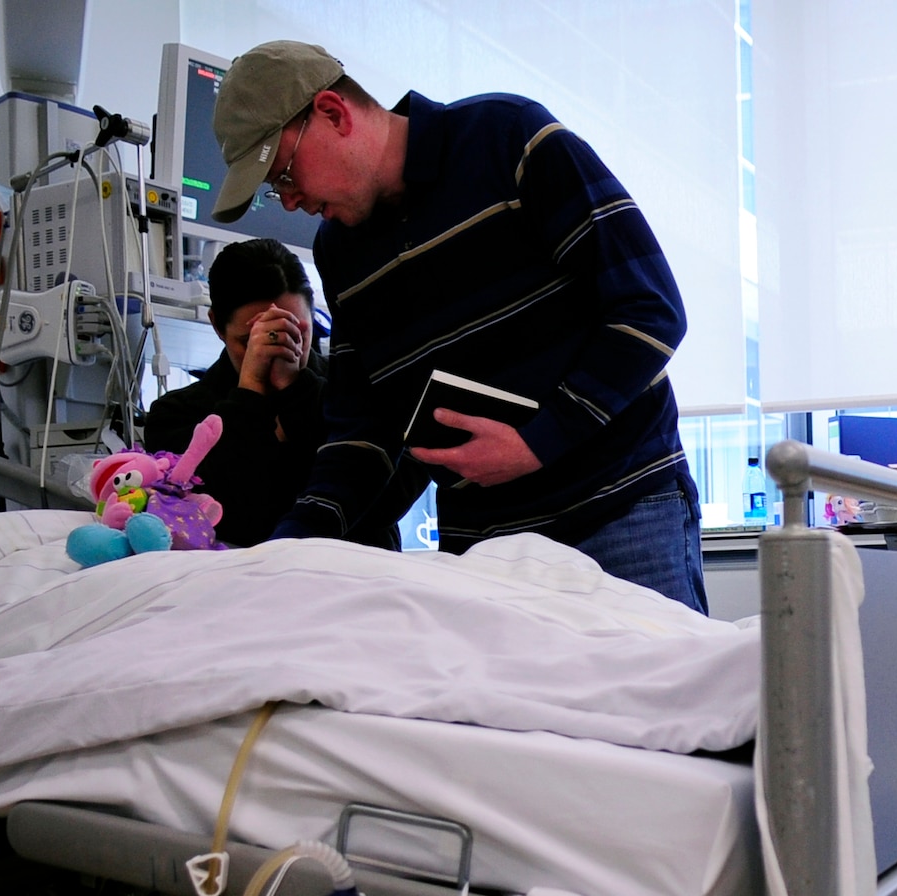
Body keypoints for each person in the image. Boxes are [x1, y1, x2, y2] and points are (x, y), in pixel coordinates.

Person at [207, 41, 705, 610]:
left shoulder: (508, 139)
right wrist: (293, 542)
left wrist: (537, 442)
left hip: (619, 510)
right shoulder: (340, 252)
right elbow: (362, 429)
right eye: (276, 189)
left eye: (284, 173)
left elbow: (649, 308)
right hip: (486, 546)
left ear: (333, 113)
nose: (289, 201)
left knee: (656, 693)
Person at [144, 238, 382, 548]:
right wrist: (250, 393)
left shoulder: (359, 392)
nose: (276, 350)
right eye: (250, 340)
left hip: (358, 576)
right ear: (217, 326)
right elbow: (222, 514)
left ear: (313, 316)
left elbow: (378, 502)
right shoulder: (176, 415)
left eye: (296, 333)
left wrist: (296, 388)